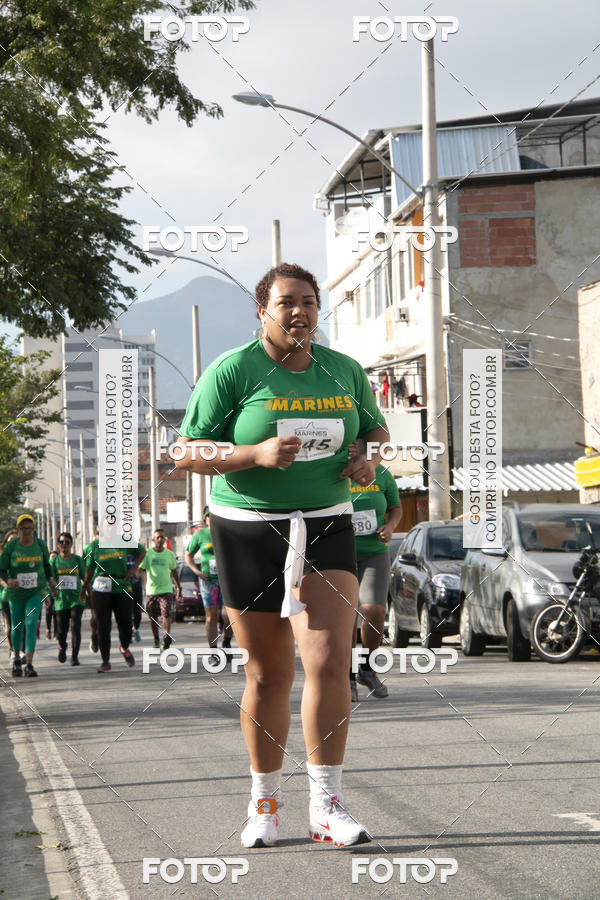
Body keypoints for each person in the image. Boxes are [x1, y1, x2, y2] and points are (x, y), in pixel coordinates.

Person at [175, 262, 389, 849]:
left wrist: (368, 460)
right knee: (268, 673)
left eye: (309, 302)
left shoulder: (343, 370)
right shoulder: (234, 370)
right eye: (286, 302)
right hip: (248, 528)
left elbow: (375, 432)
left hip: (326, 523)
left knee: (330, 662)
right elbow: (186, 451)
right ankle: (264, 803)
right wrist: (254, 454)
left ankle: (327, 805)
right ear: (263, 312)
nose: (299, 312)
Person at [349, 462, 402, 701]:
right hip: (341, 553)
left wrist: (390, 527)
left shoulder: (381, 473)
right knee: (347, 616)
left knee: (375, 610)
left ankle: (367, 669)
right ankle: (347, 676)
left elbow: (396, 508)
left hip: (374, 552)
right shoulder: (335, 470)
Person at [0, 514, 57, 677]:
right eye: (24, 528)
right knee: (17, 626)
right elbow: (1, 570)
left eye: (30, 528)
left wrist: (51, 582)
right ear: (18, 529)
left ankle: (30, 664)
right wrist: (8, 581)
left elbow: (46, 565)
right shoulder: (11, 546)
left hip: (35, 591)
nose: (27, 531)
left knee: (31, 623)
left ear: (34, 529)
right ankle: (17, 659)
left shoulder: (40, 544)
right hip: (17, 592)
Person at [81, 538, 145, 673]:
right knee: (103, 625)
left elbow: (142, 551)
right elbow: (90, 569)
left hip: (122, 585)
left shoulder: (123, 541)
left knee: (126, 623)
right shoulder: (93, 546)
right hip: (101, 586)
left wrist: (134, 569)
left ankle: (124, 647)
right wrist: (84, 587)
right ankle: (105, 661)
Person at [184, 510, 231, 658]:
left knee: (228, 615)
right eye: (210, 516)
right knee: (211, 617)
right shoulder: (200, 535)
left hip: (226, 579)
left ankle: (227, 642)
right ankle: (213, 651)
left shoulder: (227, 532)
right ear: (206, 519)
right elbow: (188, 555)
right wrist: (196, 571)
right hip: (208, 581)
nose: (213, 518)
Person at [139, 529, 181, 650]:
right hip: (151, 591)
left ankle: (166, 636)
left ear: (165, 539)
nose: (160, 539)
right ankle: (156, 639)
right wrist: (139, 578)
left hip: (166, 590)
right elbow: (141, 569)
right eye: (158, 537)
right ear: (153, 540)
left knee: (166, 614)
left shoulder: (170, 554)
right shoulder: (148, 554)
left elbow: (174, 571)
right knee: (153, 617)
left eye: (162, 537)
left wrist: (178, 587)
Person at [49, 532, 86, 666]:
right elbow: (50, 579)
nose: (64, 544)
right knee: (61, 630)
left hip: (77, 598)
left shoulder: (78, 560)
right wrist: (52, 590)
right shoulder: (54, 561)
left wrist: (87, 592)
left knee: (76, 626)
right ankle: (62, 647)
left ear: (71, 544)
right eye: (61, 542)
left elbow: (85, 578)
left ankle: (75, 656)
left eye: (67, 542)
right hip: (61, 600)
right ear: (58, 545)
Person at [0, 528, 18, 660]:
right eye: (11, 540)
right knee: (9, 626)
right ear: (6, 542)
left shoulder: (22, 556)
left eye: (16, 540)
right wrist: (8, 585)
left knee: (20, 624)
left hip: (21, 595)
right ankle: (12, 650)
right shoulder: (2, 556)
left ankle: (19, 650)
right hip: (5, 595)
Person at [82, 529, 100, 653]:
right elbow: (84, 569)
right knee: (95, 615)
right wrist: (85, 586)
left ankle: (102, 636)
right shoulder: (89, 548)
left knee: (104, 617)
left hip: (110, 585)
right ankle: (94, 635)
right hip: (93, 585)